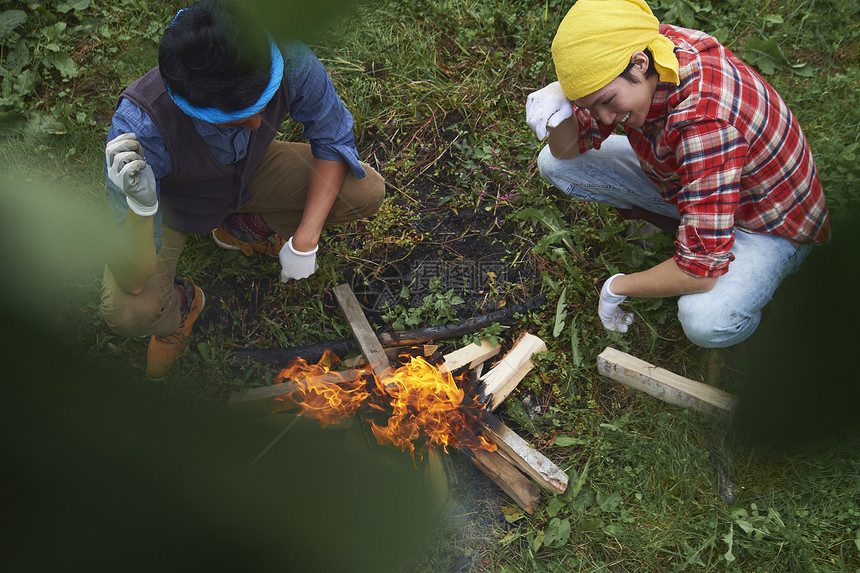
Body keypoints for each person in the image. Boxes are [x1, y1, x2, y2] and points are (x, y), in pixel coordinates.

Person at [102, 0, 384, 379]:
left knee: (365, 190)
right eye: (233, 120)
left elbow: (332, 140)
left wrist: (305, 239)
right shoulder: (138, 134)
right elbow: (132, 278)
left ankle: (238, 227)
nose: (256, 125)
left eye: (261, 104)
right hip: (172, 203)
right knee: (128, 311)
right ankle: (184, 305)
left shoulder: (289, 59)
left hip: (251, 171)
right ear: (191, 106)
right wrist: (140, 208)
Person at [526, 0, 829, 348]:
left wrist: (617, 287)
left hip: (769, 222)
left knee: (707, 321)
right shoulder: (652, 48)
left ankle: (760, 316)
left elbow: (697, 273)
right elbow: (565, 150)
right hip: (697, 178)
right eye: (591, 106)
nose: (605, 118)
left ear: (639, 63)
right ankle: (690, 224)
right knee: (555, 163)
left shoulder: (704, 121)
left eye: (608, 101)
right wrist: (561, 104)